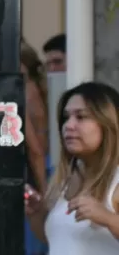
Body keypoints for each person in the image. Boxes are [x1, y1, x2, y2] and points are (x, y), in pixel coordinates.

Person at [25, 81, 119, 251]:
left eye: (81, 117)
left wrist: (108, 218)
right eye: (66, 118)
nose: (68, 126)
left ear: (108, 123)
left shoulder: (116, 179)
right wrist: (37, 214)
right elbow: (59, 240)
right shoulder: (64, 180)